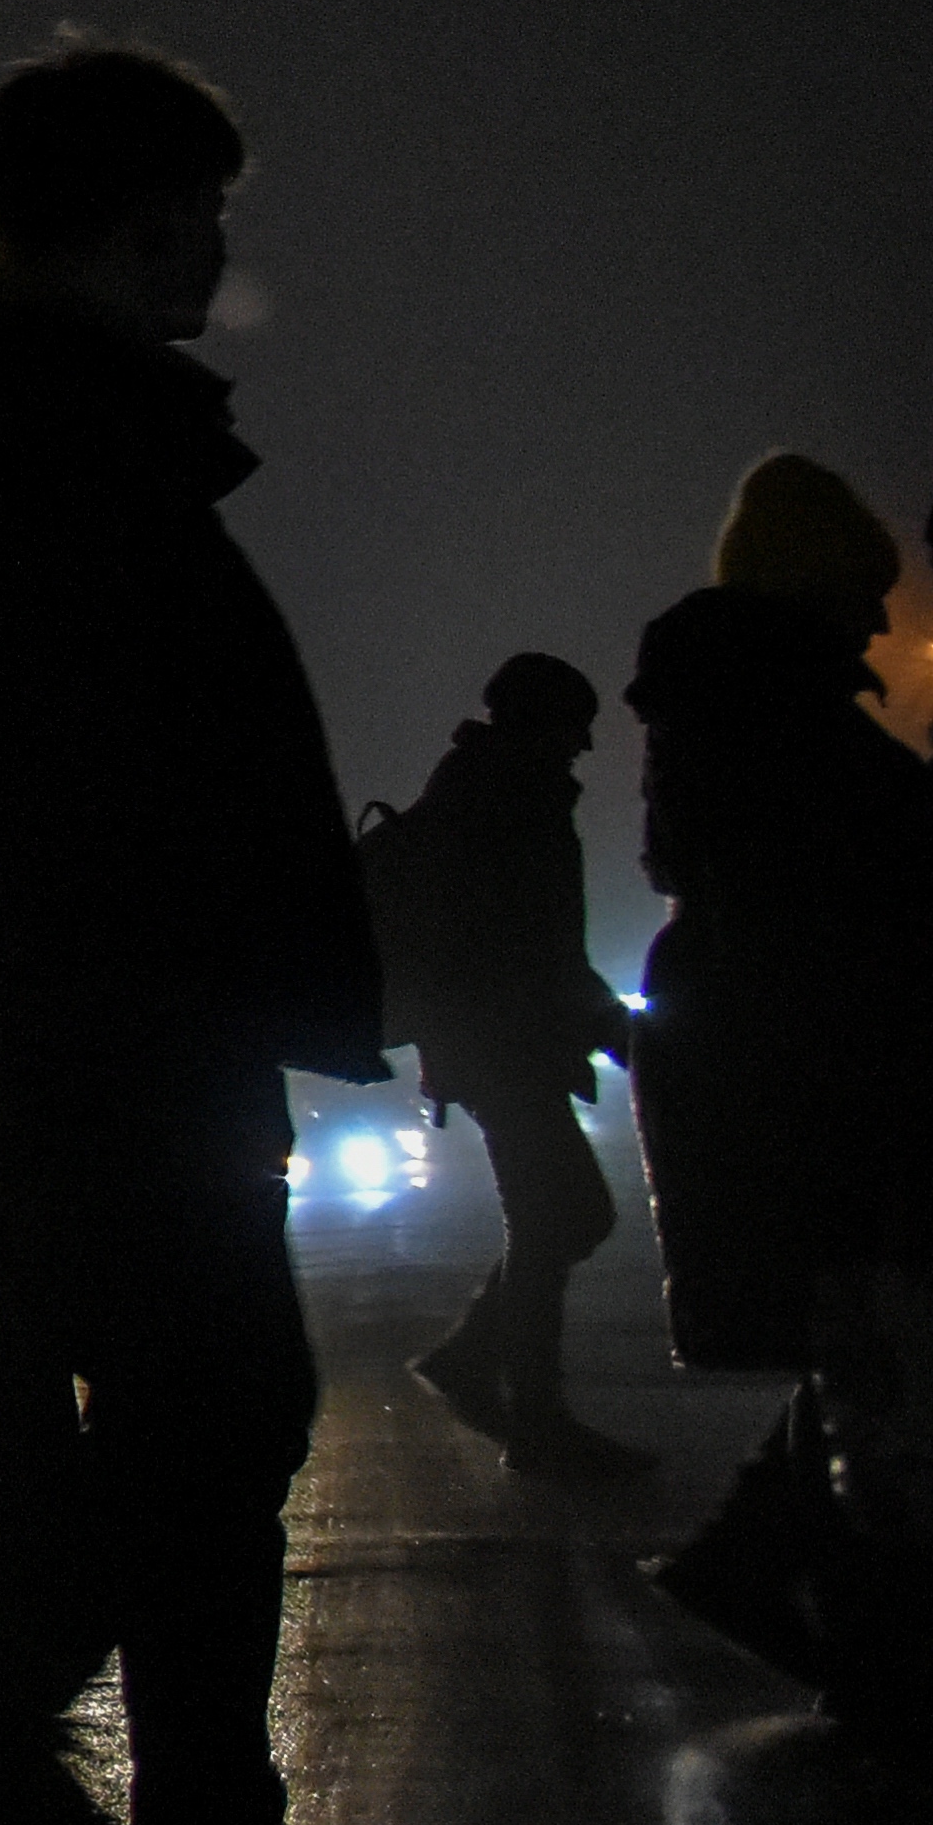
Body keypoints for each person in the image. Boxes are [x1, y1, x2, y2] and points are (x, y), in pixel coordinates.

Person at [0, 44, 487, 1825]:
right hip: (117, 1041)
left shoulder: (30, 440)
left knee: (188, 1436)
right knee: (200, 1431)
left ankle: (90, 1802)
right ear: (141, 217)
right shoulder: (67, 451)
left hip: (93, 1032)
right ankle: (35, 1774)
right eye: (201, 219)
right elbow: (88, 777)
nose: (217, 259)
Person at [623, 459, 932, 1708]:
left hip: (773, 1067)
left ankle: (766, 1570)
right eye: (865, 589)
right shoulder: (792, 727)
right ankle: (873, 1649)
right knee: (880, 1355)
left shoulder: (724, 715)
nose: (878, 619)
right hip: (826, 1080)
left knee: (863, 1346)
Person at [363, 654, 643, 1480]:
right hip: (500, 1048)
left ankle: (473, 1366)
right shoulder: (505, 801)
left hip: (492, 1045)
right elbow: (529, 948)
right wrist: (609, 1028)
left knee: (568, 1213)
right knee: (562, 1213)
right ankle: (537, 1420)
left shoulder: (483, 791)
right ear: (541, 722)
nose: (587, 744)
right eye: (575, 724)